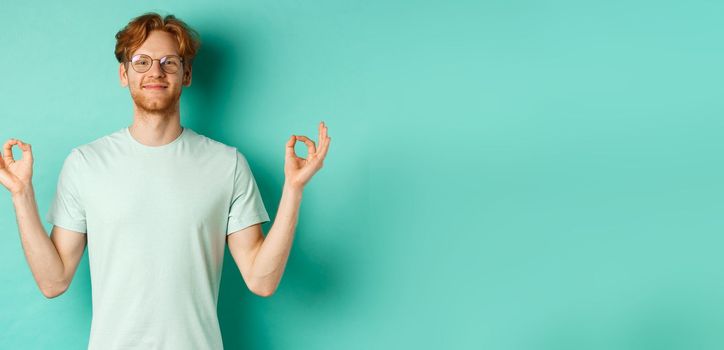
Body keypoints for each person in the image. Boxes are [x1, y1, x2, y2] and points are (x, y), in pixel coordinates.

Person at [1, 12, 330, 350]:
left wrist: (293, 190)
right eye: (141, 61)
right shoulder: (86, 164)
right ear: (123, 73)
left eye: (168, 62)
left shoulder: (226, 164)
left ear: (186, 74)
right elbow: (53, 281)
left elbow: (262, 280)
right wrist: (20, 194)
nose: (154, 72)